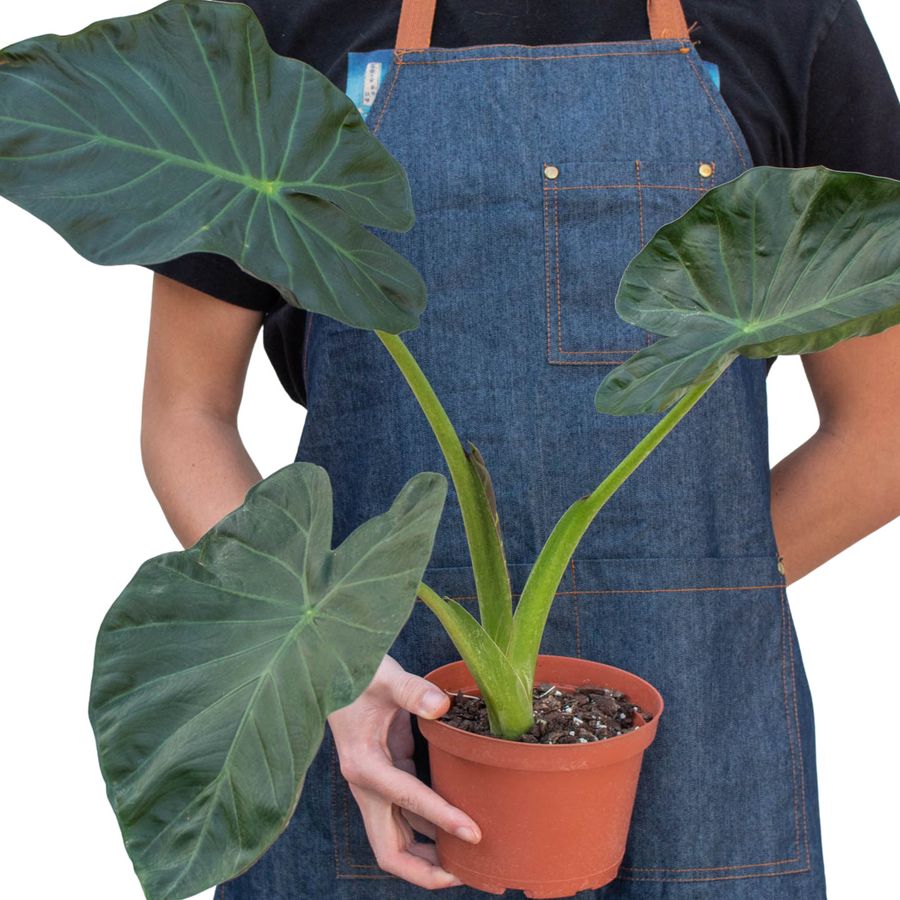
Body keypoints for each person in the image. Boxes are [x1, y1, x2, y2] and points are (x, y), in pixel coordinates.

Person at [143, 1, 900, 897]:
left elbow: (882, 432)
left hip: (696, 739)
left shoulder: (784, 16)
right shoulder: (287, 20)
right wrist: (324, 661)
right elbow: (184, 417)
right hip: (370, 738)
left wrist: (700, 600)